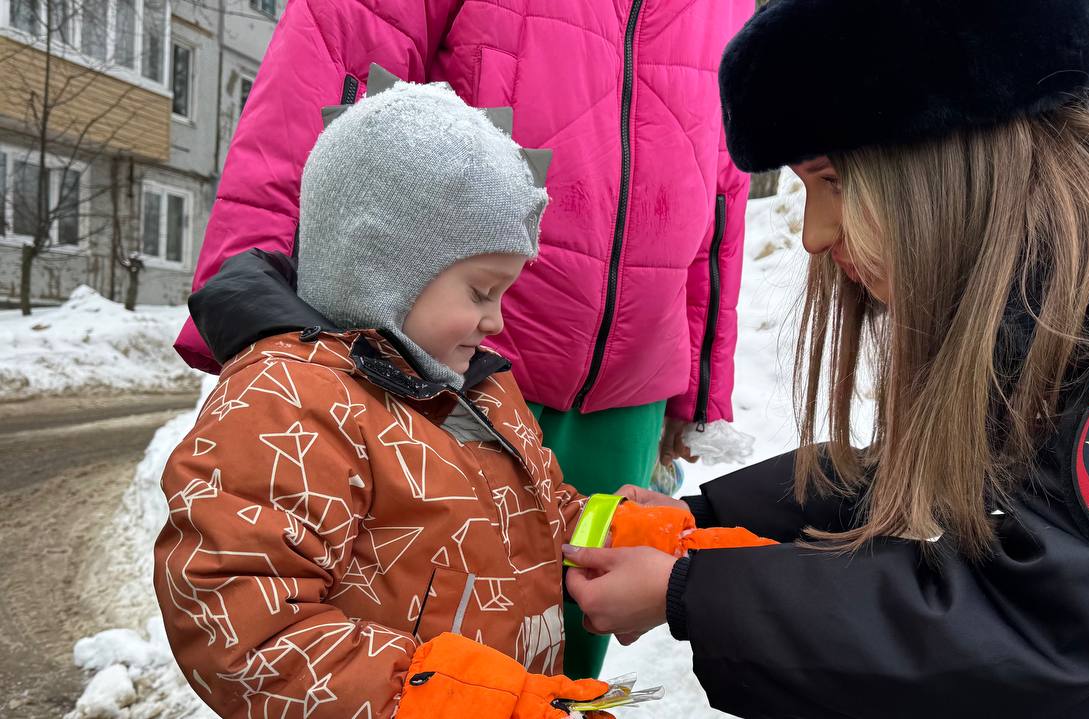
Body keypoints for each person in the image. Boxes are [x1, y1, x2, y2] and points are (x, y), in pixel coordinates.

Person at [563, 1, 1089, 716]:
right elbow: (946, 460)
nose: (814, 235)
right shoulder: (1063, 244)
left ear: (943, 162)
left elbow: (1030, 620)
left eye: (833, 181)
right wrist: (703, 514)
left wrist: (688, 595)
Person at [174, 0, 754, 679]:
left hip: (625, 362)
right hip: (414, 354)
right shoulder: (292, 407)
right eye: (484, 295)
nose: (494, 316)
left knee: (556, 624)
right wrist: (266, 321)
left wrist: (653, 519)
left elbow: (723, 183)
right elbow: (343, 43)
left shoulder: (490, 385)